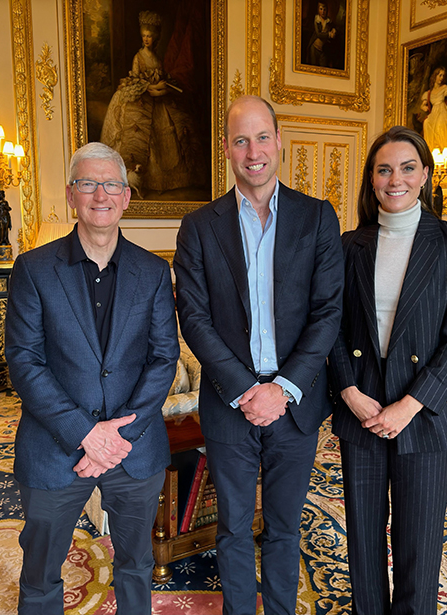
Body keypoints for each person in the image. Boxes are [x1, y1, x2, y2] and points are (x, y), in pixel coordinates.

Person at [174, 95, 344, 615]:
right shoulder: (200, 226)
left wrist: (283, 388)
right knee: (231, 527)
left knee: (285, 527)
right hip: (230, 403)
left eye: (262, 137)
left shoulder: (317, 218)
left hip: (297, 403)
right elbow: (195, 319)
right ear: (226, 148)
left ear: (280, 143)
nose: (253, 151)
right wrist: (249, 390)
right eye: (241, 139)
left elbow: (328, 313)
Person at [6, 142, 179, 615]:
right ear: (71, 195)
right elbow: (24, 360)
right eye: (88, 183)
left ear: (126, 197)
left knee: (136, 565)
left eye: (111, 185)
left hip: (134, 448)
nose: (100, 194)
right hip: (54, 448)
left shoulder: (153, 271)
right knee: (41, 574)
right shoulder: (34, 269)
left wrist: (116, 435)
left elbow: (163, 358)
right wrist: (85, 433)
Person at [327, 126, 447, 615]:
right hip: (363, 408)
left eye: (408, 167)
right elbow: (330, 326)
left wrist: (409, 406)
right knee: (364, 542)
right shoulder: (349, 244)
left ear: (426, 175)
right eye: (384, 169)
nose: (396, 179)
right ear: (372, 180)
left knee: (419, 542)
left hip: (426, 413)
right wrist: (349, 393)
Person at [100, 10, 206, 195]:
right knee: (139, 135)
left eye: (149, 36)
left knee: (169, 135)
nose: (146, 39)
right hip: (142, 99)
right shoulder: (138, 57)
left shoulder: (156, 57)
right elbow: (142, 84)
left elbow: (157, 78)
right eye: (144, 36)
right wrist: (157, 88)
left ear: (155, 37)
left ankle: (168, 181)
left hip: (159, 104)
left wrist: (164, 87)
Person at [308, 1, 336, 67]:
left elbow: (333, 27)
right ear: (318, 10)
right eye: (321, 9)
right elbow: (318, 34)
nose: (323, 12)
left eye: (324, 10)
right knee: (313, 66)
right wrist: (329, 35)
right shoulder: (317, 19)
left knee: (323, 67)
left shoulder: (328, 21)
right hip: (315, 48)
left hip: (323, 49)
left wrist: (334, 30)